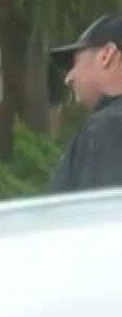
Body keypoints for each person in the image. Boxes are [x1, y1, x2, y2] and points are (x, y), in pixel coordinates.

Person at [47, 13, 122, 193]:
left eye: (75, 62)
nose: (68, 78)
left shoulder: (109, 127)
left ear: (107, 54)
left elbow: (101, 215)